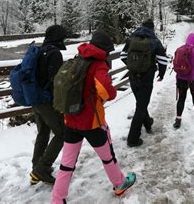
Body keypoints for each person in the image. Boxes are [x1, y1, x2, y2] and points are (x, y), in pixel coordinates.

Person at [51, 31, 136, 204]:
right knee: (107, 157)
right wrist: (111, 92)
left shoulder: (78, 58)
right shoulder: (99, 65)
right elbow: (105, 91)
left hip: (71, 120)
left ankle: (57, 199)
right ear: (104, 50)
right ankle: (119, 184)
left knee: (67, 164)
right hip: (91, 123)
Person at [120, 19, 168, 147]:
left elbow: (123, 56)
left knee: (141, 102)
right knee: (141, 106)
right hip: (146, 78)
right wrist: (161, 74)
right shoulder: (154, 41)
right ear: (152, 28)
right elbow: (163, 60)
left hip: (133, 77)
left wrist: (133, 66)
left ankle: (148, 123)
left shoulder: (131, 39)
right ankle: (133, 139)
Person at [29, 25, 67, 185]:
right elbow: (56, 81)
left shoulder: (40, 50)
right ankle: (42, 169)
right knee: (62, 133)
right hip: (46, 101)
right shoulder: (54, 53)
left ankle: (36, 167)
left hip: (35, 98)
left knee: (43, 133)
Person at [173, 32, 194, 129]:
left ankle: (178, 119)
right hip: (193, 79)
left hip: (181, 78)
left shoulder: (180, 49)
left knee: (181, 98)